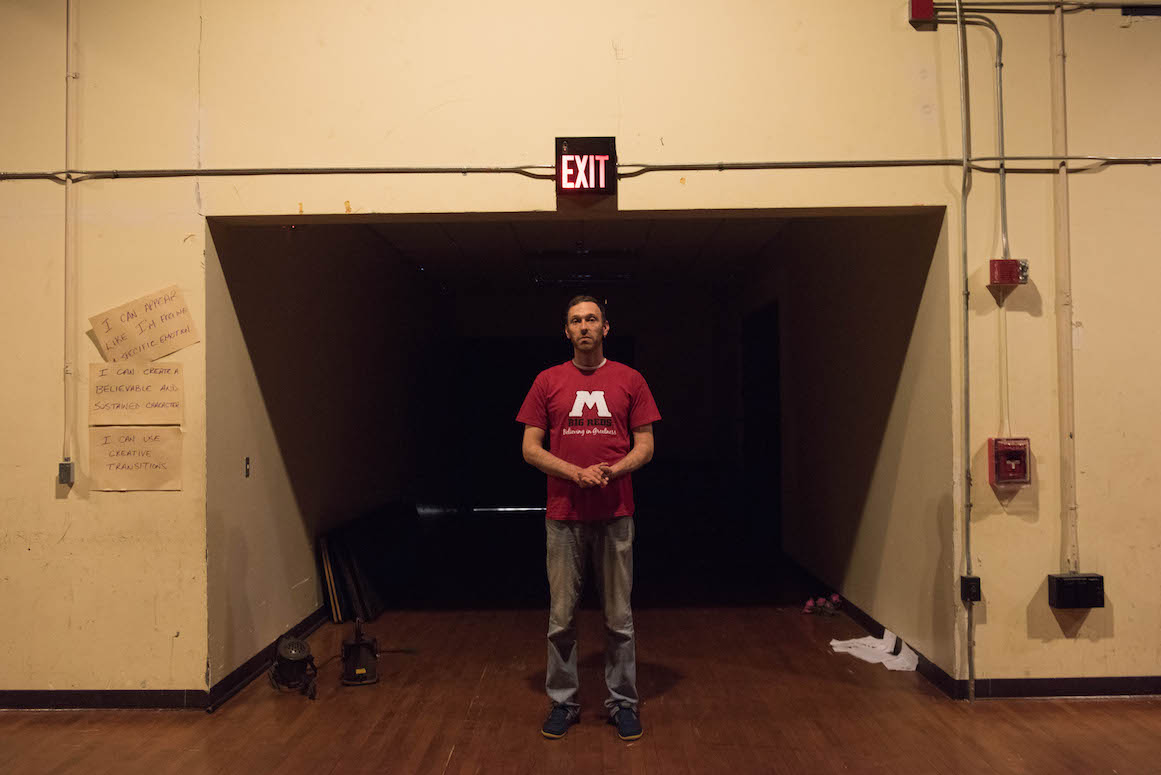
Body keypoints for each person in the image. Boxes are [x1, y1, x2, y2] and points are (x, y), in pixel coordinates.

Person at [516, 295, 661, 742]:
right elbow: (530, 447)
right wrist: (574, 472)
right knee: (561, 617)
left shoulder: (630, 379)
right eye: (576, 320)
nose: (584, 326)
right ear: (566, 331)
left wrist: (611, 471)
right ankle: (563, 703)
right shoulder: (547, 381)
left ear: (605, 327)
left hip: (616, 513)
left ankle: (623, 704)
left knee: (619, 618)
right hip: (563, 516)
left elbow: (645, 445)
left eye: (591, 319)